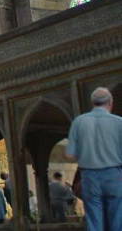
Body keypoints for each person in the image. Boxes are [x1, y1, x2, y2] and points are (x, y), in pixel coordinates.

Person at [65, 87, 122, 231]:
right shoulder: (119, 122)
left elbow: (70, 155)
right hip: (114, 175)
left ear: (92, 103)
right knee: (116, 218)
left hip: (89, 176)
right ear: (110, 103)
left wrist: (88, 155)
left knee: (94, 221)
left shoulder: (79, 122)